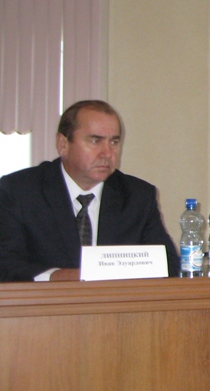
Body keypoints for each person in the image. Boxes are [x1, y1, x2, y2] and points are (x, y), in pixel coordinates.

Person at [0, 100, 178, 282]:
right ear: (63, 144)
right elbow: (5, 264)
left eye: (114, 142)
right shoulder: (18, 191)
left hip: (115, 300)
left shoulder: (137, 196)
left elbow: (169, 266)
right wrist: (57, 276)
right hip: (43, 300)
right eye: (95, 141)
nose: (107, 153)